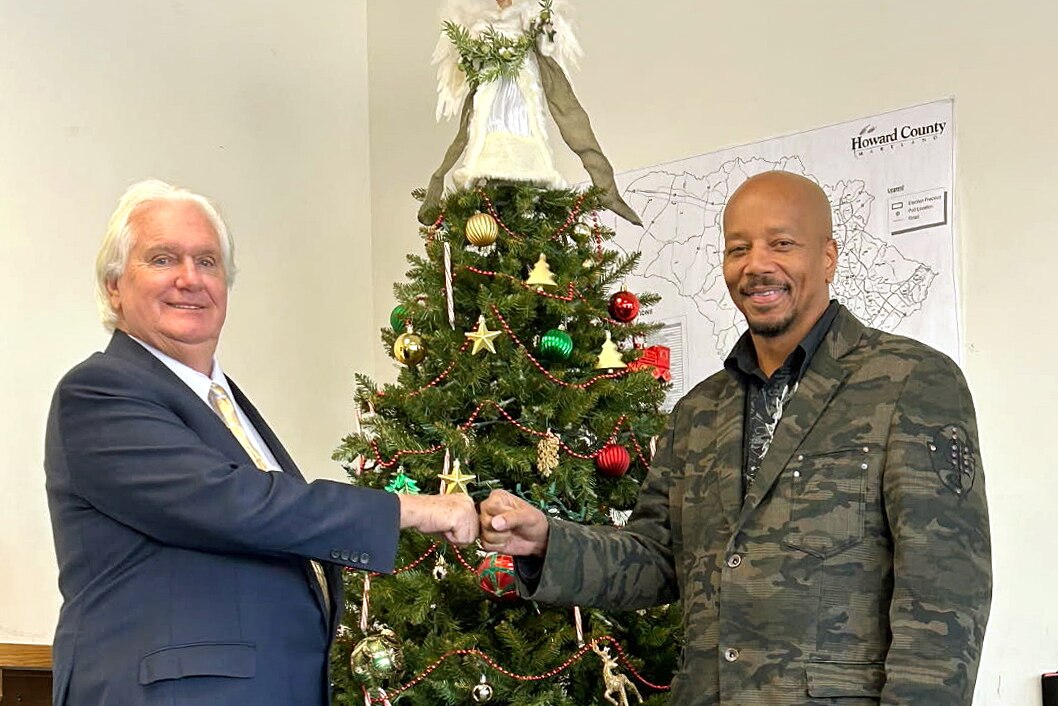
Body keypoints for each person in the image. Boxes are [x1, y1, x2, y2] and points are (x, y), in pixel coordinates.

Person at [480, 170, 992, 705]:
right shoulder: (698, 411)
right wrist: (545, 542)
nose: (756, 265)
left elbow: (946, 594)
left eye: (782, 244)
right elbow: (656, 559)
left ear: (828, 256)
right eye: (738, 248)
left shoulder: (911, 380)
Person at [44, 179, 478, 706]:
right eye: (162, 259)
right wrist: (412, 509)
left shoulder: (223, 403)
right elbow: (236, 504)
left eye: (207, 262)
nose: (190, 279)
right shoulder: (99, 391)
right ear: (114, 287)